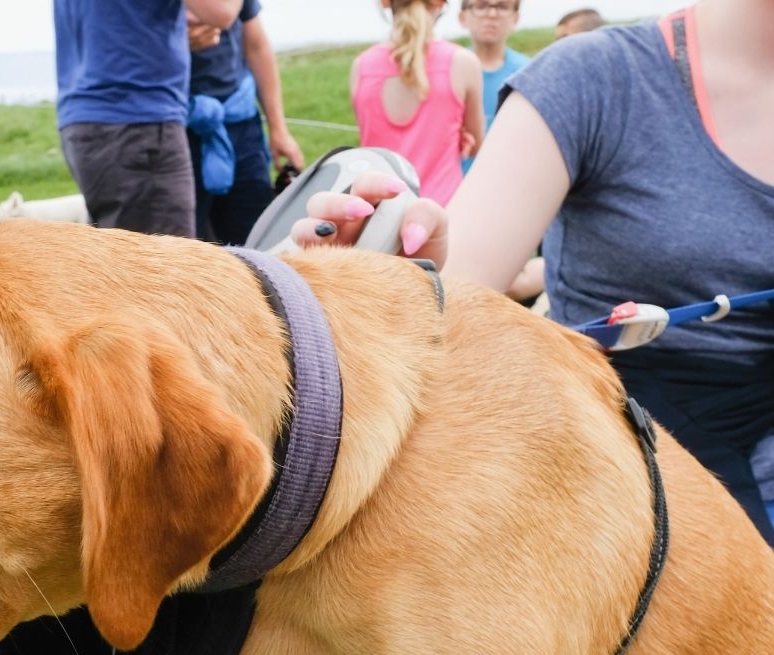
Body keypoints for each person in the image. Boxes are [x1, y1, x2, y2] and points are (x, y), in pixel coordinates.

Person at [297, 0, 774, 541]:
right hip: (639, 460)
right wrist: (365, 306)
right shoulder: (588, 79)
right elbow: (451, 293)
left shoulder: (401, 66)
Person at [54, 0, 242, 237]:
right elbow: (222, 11)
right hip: (138, 125)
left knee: (126, 263)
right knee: (169, 267)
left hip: (86, 121)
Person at [185, 1, 305, 245]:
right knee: (180, 245)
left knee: (257, 240)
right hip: (173, 129)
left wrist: (279, 129)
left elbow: (257, 47)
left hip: (240, 126)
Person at [351, 0, 483, 205]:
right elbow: (475, 146)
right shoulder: (463, 62)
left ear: (386, 5)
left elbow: (369, 135)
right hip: (444, 212)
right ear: (439, 6)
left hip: (379, 215)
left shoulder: (361, 66)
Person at [457, 0, 529, 172]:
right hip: (451, 188)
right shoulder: (446, 71)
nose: (492, 15)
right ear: (463, 17)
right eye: (481, 6)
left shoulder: (530, 73)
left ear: (515, 17)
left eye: (502, 7)